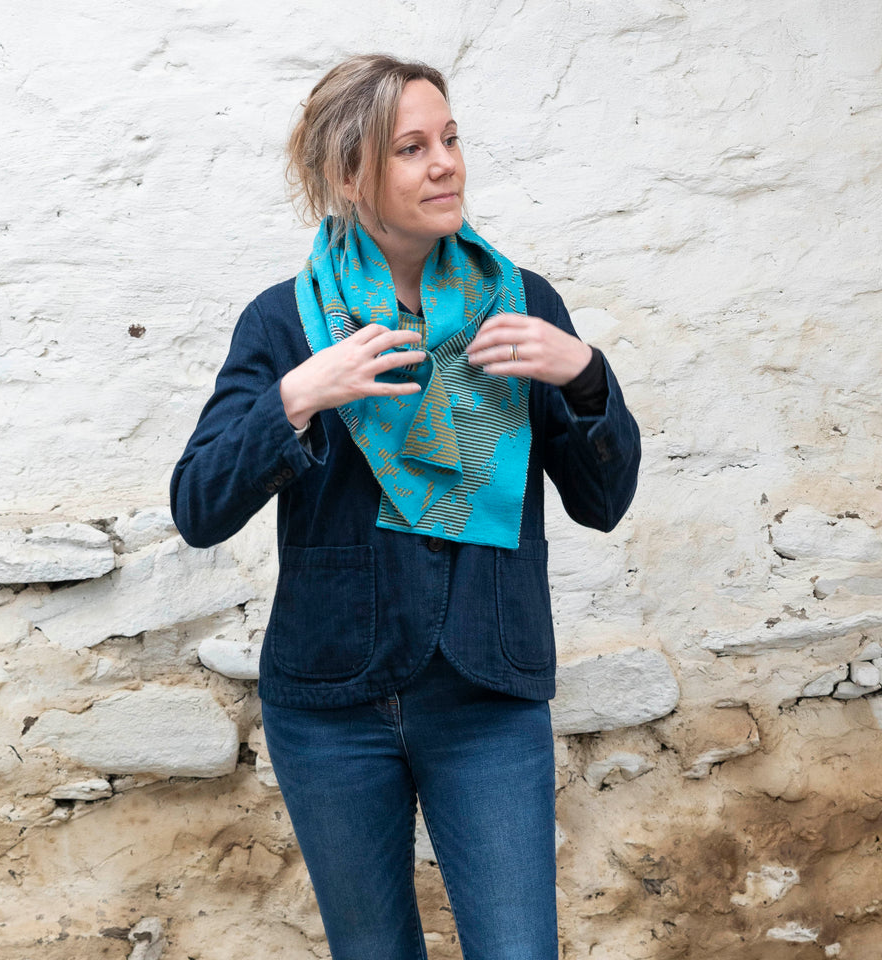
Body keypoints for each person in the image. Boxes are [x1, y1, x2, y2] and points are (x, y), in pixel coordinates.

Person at [171, 54, 640, 960]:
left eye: (452, 140)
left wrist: (585, 378)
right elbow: (198, 506)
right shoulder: (285, 324)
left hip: (487, 694)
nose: (446, 164)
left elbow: (604, 502)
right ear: (349, 175)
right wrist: (299, 396)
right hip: (332, 701)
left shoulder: (520, 305)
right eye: (412, 148)